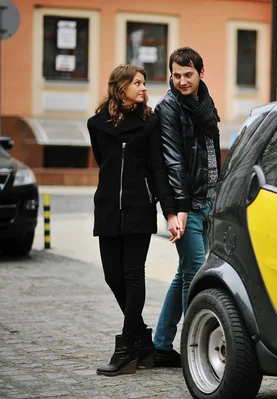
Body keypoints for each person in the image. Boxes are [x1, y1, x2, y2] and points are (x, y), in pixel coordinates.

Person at [88, 64, 182, 376]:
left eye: (143, 83)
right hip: (106, 209)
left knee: (131, 275)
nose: (143, 88)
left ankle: (127, 347)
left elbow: (157, 167)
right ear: (121, 86)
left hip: (139, 208)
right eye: (137, 83)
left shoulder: (148, 121)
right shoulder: (97, 124)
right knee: (112, 277)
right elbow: (105, 163)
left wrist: (169, 210)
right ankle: (143, 339)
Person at [152, 47, 221, 367]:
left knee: (185, 273)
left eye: (188, 74)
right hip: (188, 205)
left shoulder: (205, 104)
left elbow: (210, 152)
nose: (181, 81)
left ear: (201, 73)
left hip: (208, 199)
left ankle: (161, 344)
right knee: (195, 271)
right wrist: (178, 209)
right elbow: (173, 162)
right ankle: (194, 347)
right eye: (176, 75)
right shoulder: (168, 108)